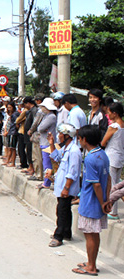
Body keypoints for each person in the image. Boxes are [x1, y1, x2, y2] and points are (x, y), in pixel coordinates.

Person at [72, 125, 111, 276]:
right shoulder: (103, 154)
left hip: (90, 203)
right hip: (99, 203)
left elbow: (96, 184)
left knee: (89, 235)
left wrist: (101, 202)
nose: (79, 141)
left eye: (80, 138)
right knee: (95, 234)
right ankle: (91, 262)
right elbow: (108, 179)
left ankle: (91, 267)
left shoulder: (90, 158)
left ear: (85, 139)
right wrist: (106, 200)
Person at [47, 123, 82, 247]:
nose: (59, 136)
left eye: (61, 134)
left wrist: (67, 188)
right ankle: (67, 232)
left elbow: (73, 172)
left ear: (67, 135)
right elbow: (55, 157)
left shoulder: (74, 151)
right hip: (61, 185)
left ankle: (59, 236)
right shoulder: (66, 149)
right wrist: (51, 143)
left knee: (62, 211)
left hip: (67, 186)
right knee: (65, 210)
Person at [100, 102, 124, 220]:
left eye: (109, 112)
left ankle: (113, 211)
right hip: (120, 157)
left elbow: (103, 142)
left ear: (115, 113)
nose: (108, 114)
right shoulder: (123, 125)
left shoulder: (113, 127)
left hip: (111, 156)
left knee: (112, 185)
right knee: (117, 183)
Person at [37, 98, 57, 189]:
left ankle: (47, 182)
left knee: (47, 164)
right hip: (44, 142)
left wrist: (42, 129)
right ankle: (47, 181)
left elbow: (40, 128)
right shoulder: (47, 116)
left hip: (47, 143)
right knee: (46, 164)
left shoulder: (51, 117)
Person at [27, 94, 46, 181]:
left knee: (36, 156)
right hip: (43, 137)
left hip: (37, 137)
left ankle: (38, 174)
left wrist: (30, 130)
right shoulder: (48, 112)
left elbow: (35, 123)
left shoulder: (40, 111)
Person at [22, 97, 38, 176]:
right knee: (28, 151)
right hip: (27, 134)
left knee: (31, 152)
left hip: (31, 135)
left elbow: (35, 123)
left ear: (28, 103)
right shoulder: (29, 111)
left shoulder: (34, 110)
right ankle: (30, 167)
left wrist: (31, 131)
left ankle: (32, 168)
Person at [3, 102, 19, 167]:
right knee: (10, 148)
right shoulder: (12, 115)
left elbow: (16, 123)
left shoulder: (15, 115)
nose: (9, 109)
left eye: (10, 107)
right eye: (8, 108)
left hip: (13, 132)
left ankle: (12, 162)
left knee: (12, 148)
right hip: (11, 132)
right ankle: (8, 160)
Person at [15, 100, 28, 170]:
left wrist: (18, 121)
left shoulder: (25, 111)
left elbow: (18, 120)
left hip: (22, 131)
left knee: (21, 148)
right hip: (23, 130)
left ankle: (23, 163)